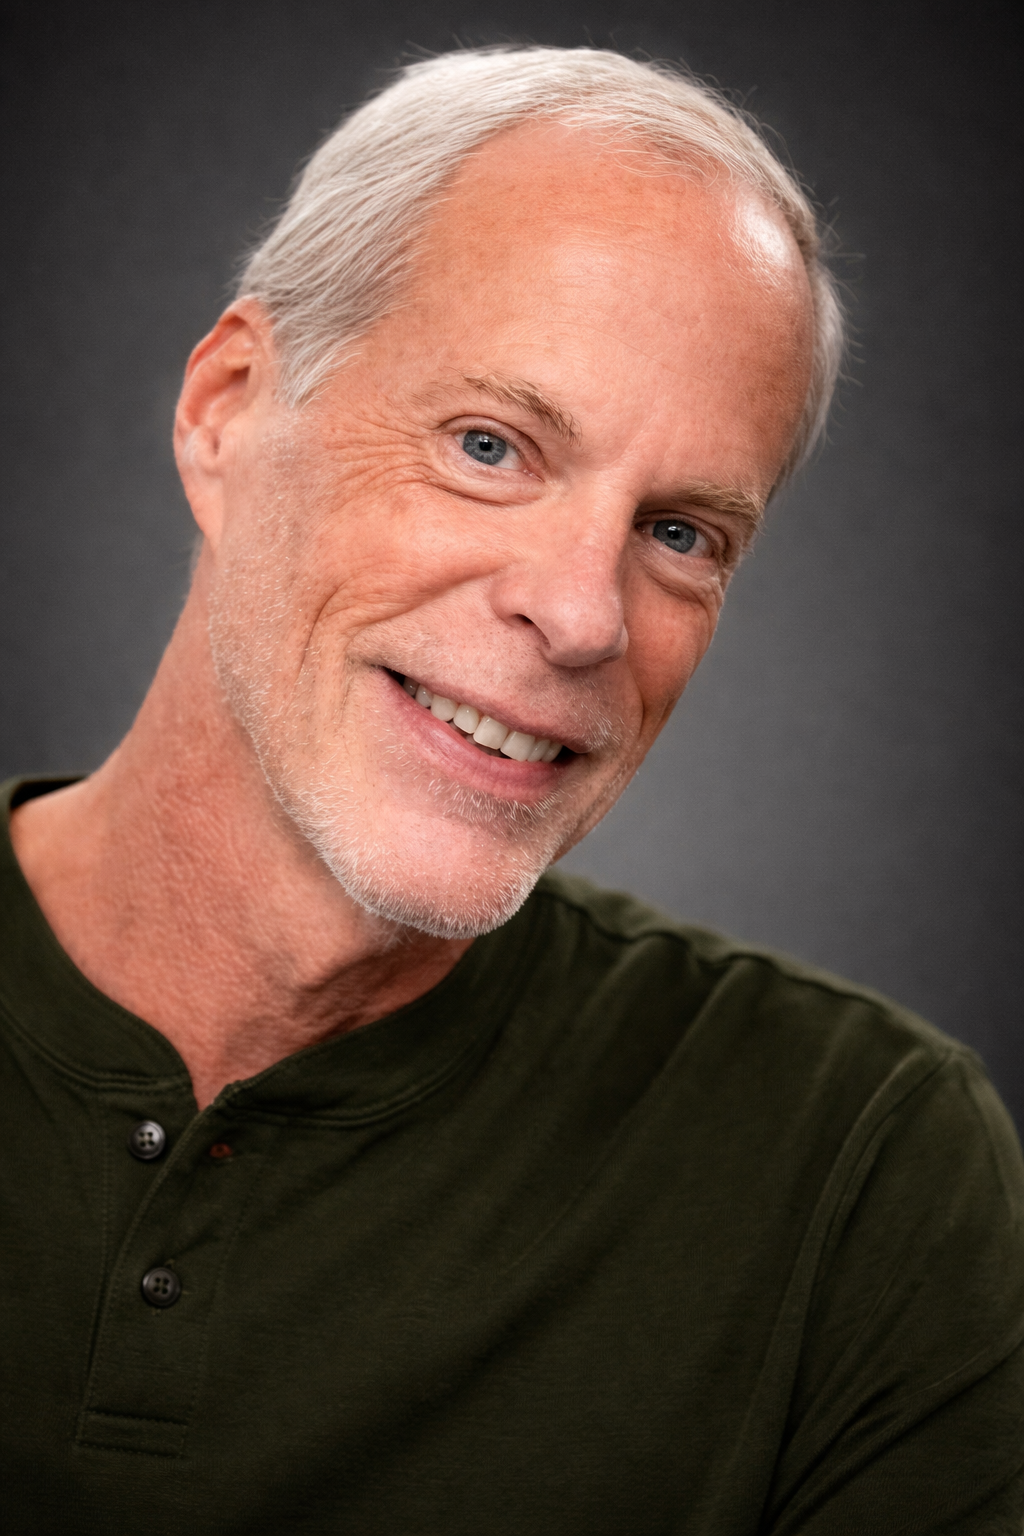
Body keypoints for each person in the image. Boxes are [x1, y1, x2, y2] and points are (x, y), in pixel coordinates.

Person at [2, 46, 1021, 1535]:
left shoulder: (862, 1169)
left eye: (680, 533)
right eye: (491, 447)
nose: (584, 613)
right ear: (227, 409)